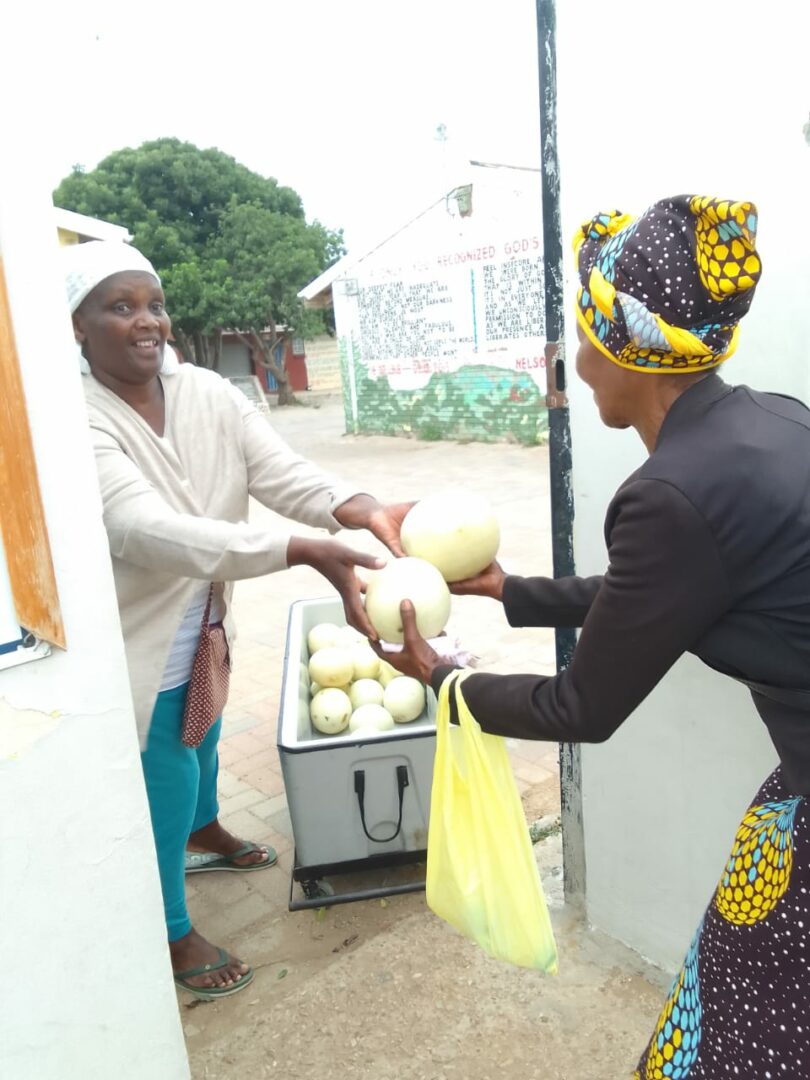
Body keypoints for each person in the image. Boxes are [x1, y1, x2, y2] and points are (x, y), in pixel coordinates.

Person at [381, 195, 810, 1077]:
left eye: (584, 339)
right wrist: (511, 591)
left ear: (628, 356)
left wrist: (444, 680)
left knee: (741, 1032)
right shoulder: (773, 420)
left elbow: (582, 705)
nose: (576, 364)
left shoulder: (666, 495)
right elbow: (670, 591)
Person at [63, 241, 412, 1001]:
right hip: (143, 631)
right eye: (119, 308)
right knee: (166, 762)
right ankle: (169, 929)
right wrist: (300, 548)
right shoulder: (77, 420)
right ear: (79, 326)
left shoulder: (209, 395)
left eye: (152, 304)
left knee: (210, 724)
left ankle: (205, 830)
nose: (146, 321)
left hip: (208, 612)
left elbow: (279, 470)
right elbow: (141, 527)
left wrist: (356, 507)